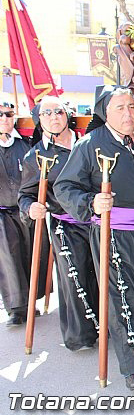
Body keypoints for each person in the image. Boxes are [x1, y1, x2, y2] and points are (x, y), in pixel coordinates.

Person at [53, 85, 134, 391]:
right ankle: (133, 368)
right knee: (123, 300)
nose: (128, 114)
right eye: (120, 108)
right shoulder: (90, 146)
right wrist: (91, 203)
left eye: (132, 107)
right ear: (105, 113)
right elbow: (64, 187)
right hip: (116, 235)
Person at [19, 96, 99, 351]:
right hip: (65, 224)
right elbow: (25, 194)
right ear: (39, 120)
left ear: (67, 115)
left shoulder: (88, 143)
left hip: (98, 220)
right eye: (47, 113)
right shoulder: (37, 157)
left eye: (58, 112)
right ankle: (81, 335)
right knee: (74, 278)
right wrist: (30, 207)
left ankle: (109, 325)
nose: (54, 117)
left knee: (104, 274)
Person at [0, 100, 36, 327]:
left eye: (9, 114)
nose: (4, 119)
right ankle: (16, 308)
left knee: (31, 255)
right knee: (9, 260)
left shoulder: (25, 144)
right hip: (2, 213)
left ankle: (32, 300)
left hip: (26, 210)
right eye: (0, 115)